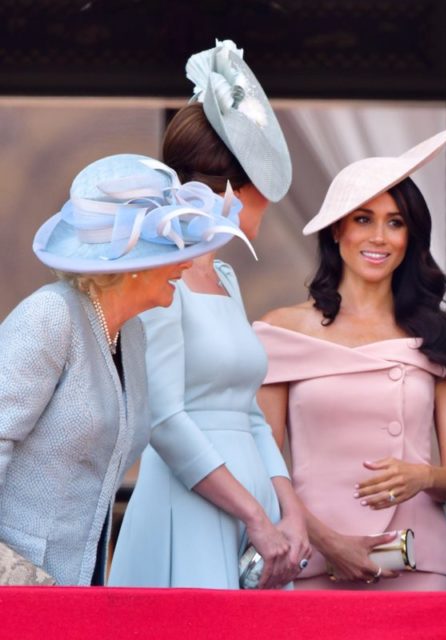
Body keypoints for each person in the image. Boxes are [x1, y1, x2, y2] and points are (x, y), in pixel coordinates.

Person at [109, 40, 307, 589]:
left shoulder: (224, 277)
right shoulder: (157, 275)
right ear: (233, 190)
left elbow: (246, 412)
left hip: (255, 512)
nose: (269, 202)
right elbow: (166, 419)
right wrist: (255, 516)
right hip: (189, 507)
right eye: (261, 186)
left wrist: (289, 510)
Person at [0, 152, 244, 585]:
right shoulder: (49, 316)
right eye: (173, 249)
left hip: (79, 585)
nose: (187, 263)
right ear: (130, 265)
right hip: (18, 588)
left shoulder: (133, 337)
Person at [254, 129, 446, 590]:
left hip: (416, 562)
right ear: (338, 230)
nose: (379, 237)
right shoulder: (281, 330)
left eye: (395, 222)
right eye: (363, 219)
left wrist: (423, 475)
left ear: (411, 236)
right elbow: (263, 467)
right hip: (312, 556)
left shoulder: (443, 337)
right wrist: (329, 542)